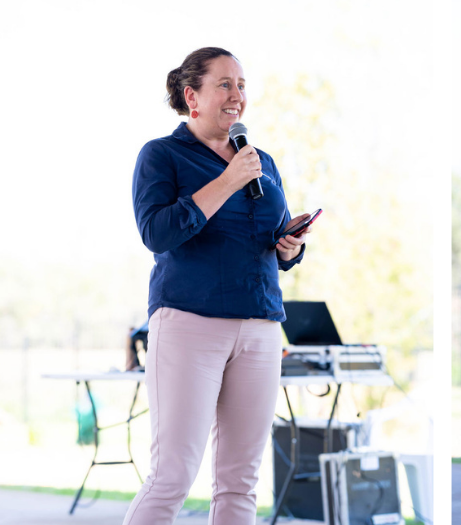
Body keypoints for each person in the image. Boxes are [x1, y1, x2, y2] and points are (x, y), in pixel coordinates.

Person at [124, 47, 313, 525]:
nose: (237, 96)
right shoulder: (161, 156)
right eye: (225, 84)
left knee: (240, 482)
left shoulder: (260, 160)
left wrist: (290, 247)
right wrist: (228, 181)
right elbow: (158, 232)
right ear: (193, 96)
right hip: (189, 323)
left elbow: (268, 241)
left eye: (242, 85)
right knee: (172, 474)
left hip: (260, 327)